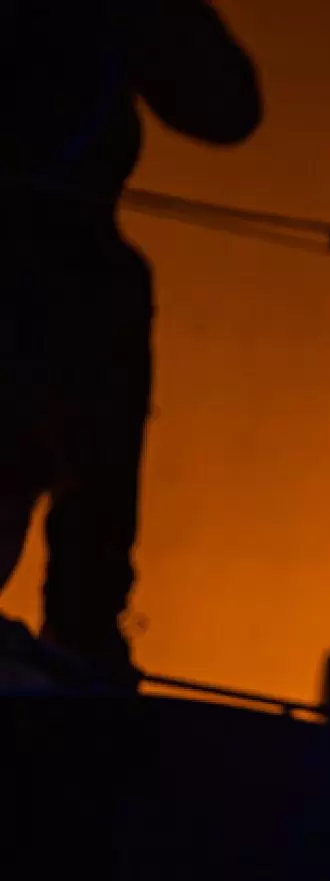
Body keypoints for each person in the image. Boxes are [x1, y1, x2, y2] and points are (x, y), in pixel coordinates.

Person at [0, 0, 261, 684]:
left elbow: (226, 108)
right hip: (51, 267)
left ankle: (82, 628)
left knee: (99, 317)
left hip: (74, 264)